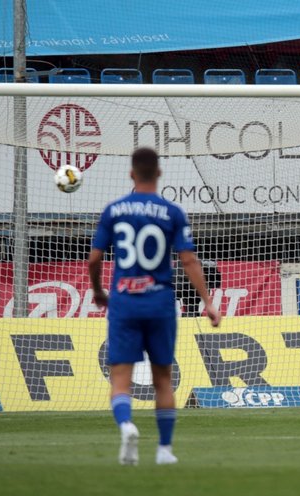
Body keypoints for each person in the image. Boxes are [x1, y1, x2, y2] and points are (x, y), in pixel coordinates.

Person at [89, 148, 222, 466]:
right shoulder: (172, 212)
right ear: (159, 173)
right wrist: (208, 303)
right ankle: (164, 450)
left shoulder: (114, 210)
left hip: (124, 302)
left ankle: (127, 425)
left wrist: (98, 291)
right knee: (164, 378)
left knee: (120, 378)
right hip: (160, 303)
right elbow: (188, 260)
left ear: (132, 174)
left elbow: (94, 258)